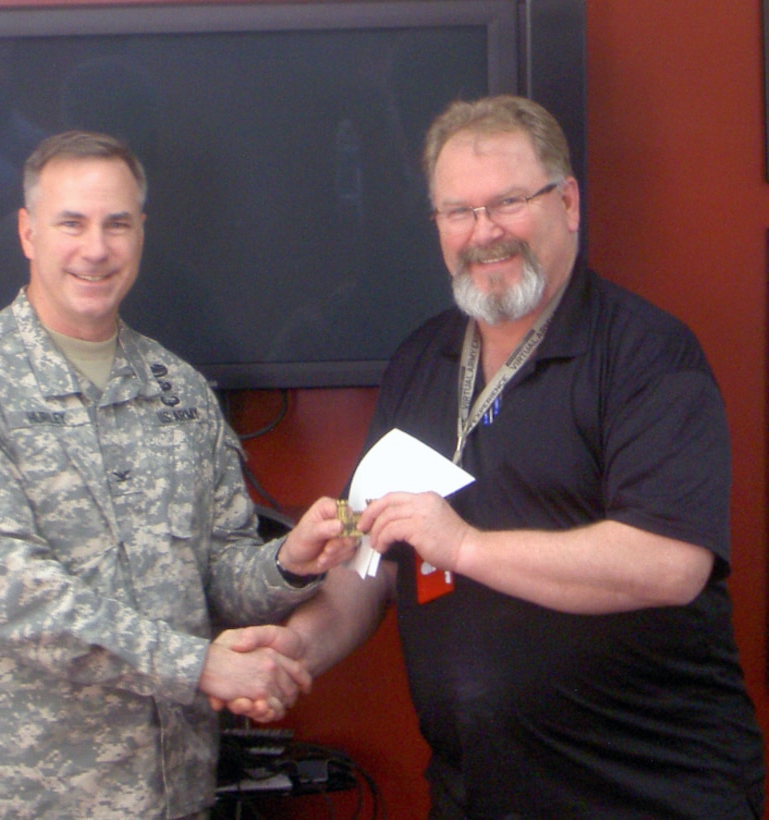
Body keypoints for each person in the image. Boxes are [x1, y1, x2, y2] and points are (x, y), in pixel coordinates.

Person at [226, 95, 765, 817]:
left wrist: (464, 546)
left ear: (567, 203)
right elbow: (368, 568)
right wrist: (296, 653)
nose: (484, 233)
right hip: (478, 792)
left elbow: (669, 564)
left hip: (647, 791)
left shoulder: (646, 355)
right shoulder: (421, 360)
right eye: (458, 212)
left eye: (507, 202)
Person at [0, 130, 357, 820]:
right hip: (30, 801)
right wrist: (199, 668)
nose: (95, 248)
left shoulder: (182, 391)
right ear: (27, 233)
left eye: (116, 224)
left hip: (176, 795)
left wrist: (287, 564)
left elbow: (218, 581)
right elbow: (3, 595)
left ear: (141, 233)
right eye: (70, 223)